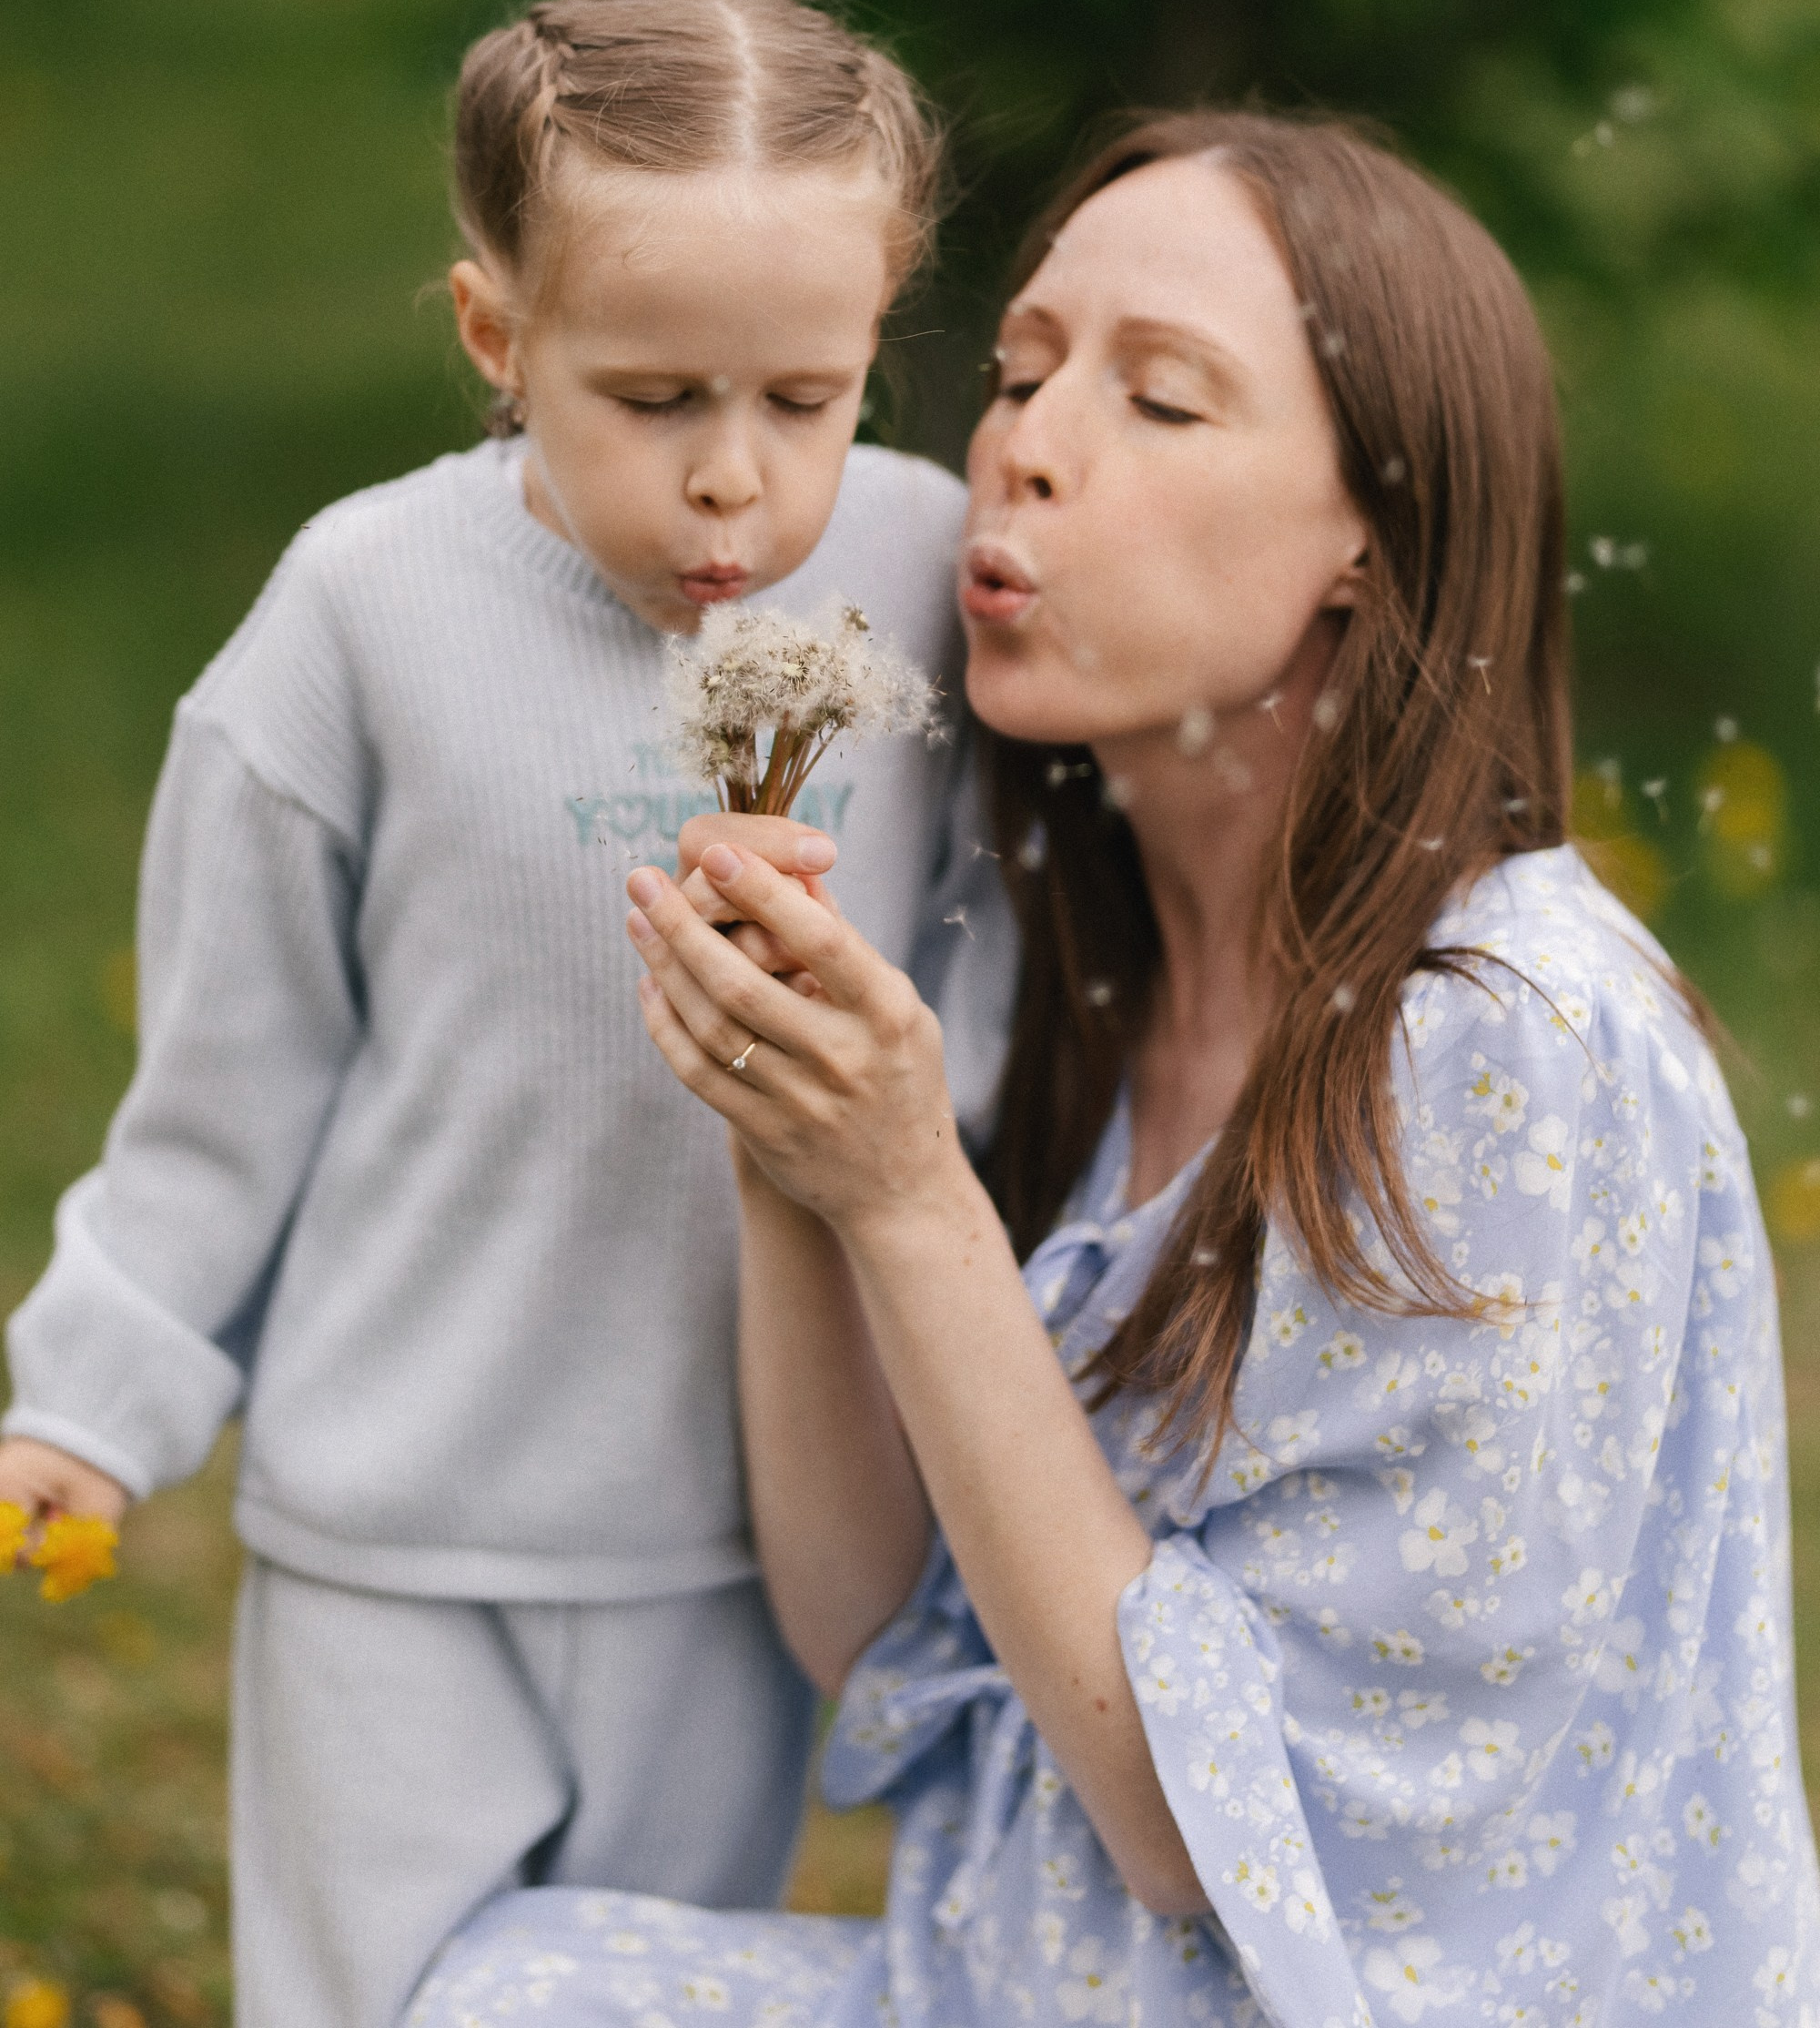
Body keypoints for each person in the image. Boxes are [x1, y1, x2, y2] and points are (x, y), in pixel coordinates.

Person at [412, 111, 1820, 2028]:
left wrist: (907, 1192)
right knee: (493, 1986)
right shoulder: (1080, 965)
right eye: (1016, 371)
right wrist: (791, 1150)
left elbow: (1201, 1834)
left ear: (1366, 538)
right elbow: (871, 1620)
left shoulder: (1515, 1043)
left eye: (1160, 401)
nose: (1025, 444)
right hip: (1010, 1978)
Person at [0, 0, 1011, 2028]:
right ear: (497, 338)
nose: (736, 485)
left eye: (805, 399)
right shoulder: (363, 614)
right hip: (402, 1516)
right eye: (654, 401)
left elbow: (995, 980)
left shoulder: (924, 578)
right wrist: (91, 1393)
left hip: (730, 1531)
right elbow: (230, 1076)